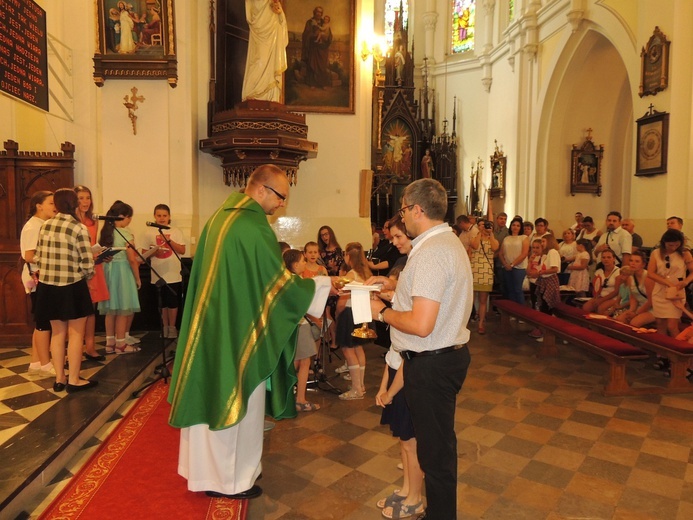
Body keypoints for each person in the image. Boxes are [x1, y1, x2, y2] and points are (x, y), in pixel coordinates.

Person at [168, 164, 331, 500]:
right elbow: (277, 286)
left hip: (213, 326)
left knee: (208, 393)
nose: (281, 205)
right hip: (237, 331)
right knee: (236, 398)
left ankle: (204, 473)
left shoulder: (219, 218)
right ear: (261, 190)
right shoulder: (252, 226)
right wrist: (321, 285)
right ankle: (230, 481)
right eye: (281, 197)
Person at [368, 178, 473, 520]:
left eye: (402, 209)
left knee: (435, 456)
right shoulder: (447, 242)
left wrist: (381, 312)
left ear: (415, 210)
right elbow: (430, 302)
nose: (402, 217)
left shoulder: (430, 252)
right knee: (437, 449)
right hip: (443, 356)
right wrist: (395, 292)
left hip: (432, 363)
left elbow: (422, 324)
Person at [34, 188, 97, 393]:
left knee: (57, 334)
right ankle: (74, 379)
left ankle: (60, 378)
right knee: (76, 334)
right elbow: (87, 264)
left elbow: (39, 257)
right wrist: (87, 276)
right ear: (75, 204)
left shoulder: (46, 226)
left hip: (48, 287)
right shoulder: (78, 228)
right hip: (72, 286)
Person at [98, 201, 142, 354]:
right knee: (123, 309)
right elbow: (131, 259)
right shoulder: (126, 233)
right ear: (123, 217)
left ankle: (110, 343)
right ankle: (121, 344)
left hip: (108, 272)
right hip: (123, 272)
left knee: (110, 310)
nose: (130, 221)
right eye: (129, 217)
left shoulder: (106, 232)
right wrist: (137, 278)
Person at [21, 191, 56, 377]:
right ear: (39, 205)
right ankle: (45, 364)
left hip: (42, 275)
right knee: (43, 322)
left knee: (41, 321)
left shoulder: (42, 224)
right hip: (37, 277)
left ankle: (35, 362)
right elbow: (28, 256)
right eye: (51, 203)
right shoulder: (34, 227)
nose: (54, 206)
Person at [283, 249, 321, 412]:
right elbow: (303, 305)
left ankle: (292, 395)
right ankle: (300, 399)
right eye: (303, 261)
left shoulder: (288, 279)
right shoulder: (296, 281)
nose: (306, 263)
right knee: (304, 361)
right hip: (300, 325)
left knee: (297, 361)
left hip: (294, 325)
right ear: (296, 264)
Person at [74, 186, 109, 361]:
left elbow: (93, 244)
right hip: (76, 269)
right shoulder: (71, 221)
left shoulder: (93, 221)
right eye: (81, 198)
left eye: (88, 197)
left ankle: (90, 347)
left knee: (91, 310)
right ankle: (75, 349)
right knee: (77, 312)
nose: (85, 201)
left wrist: (101, 256)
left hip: (94, 267)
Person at [141, 204, 186, 339]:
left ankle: (172, 327)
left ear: (169, 217)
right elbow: (143, 253)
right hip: (157, 272)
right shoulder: (148, 232)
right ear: (154, 216)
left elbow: (182, 250)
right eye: (159, 215)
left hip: (172, 272)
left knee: (172, 302)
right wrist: (154, 250)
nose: (162, 218)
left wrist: (169, 241)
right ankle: (164, 327)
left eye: (164, 216)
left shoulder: (176, 231)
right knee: (162, 302)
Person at [336, 242, 372, 400]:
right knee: (358, 348)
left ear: (348, 256)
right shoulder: (366, 272)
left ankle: (356, 390)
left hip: (350, 313)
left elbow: (342, 299)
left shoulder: (350, 274)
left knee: (348, 349)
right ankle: (360, 385)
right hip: (363, 313)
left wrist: (338, 313)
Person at [647, 229, 693, 337]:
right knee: (660, 323)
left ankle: (677, 350)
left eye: (676, 245)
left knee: (672, 326)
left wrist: (686, 282)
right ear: (664, 243)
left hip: (676, 291)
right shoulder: (656, 253)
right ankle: (661, 350)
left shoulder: (685, 253)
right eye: (670, 245)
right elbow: (650, 273)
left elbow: (692, 272)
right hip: (660, 290)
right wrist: (666, 282)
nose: (673, 248)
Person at [241, 0, 288, 102]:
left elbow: (282, 22)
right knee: (258, 61)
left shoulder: (274, 2)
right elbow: (252, 12)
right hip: (259, 34)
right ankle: (253, 92)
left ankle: (271, 96)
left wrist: (280, 12)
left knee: (272, 64)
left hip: (273, 32)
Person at [470, 218, 499, 334]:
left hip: (486, 272)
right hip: (474, 271)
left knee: (483, 300)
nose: (484, 227)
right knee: (470, 299)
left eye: (485, 225)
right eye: (481, 225)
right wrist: (479, 233)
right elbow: (475, 246)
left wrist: (490, 234)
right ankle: (467, 320)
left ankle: (481, 322)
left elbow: (495, 248)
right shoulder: (474, 238)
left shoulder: (494, 240)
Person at [500, 216, 529, 305]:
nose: (515, 227)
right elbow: (501, 253)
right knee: (510, 290)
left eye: (518, 225)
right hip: (507, 267)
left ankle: (522, 313)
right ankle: (513, 311)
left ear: (520, 228)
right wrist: (505, 264)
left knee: (517, 289)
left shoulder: (524, 238)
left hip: (519, 267)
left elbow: (524, 254)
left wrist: (512, 264)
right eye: (513, 225)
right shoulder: (506, 238)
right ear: (511, 226)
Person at [301, 6, 332, 88]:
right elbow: (305, 35)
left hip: (322, 48)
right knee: (312, 64)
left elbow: (329, 35)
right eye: (317, 12)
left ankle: (322, 84)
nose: (319, 14)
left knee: (322, 66)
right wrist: (312, 35)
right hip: (313, 47)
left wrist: (326, 38)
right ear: (314, 12)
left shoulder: (324, 22)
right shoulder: (309, 22)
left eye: (320, 12)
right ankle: (312, 84)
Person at [582, 249, 620, 313]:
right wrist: (596, 298)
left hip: (613, 298)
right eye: (603, 257)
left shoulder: (618, 272)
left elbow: (616, 291)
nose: (606, 259)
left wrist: (602, 300)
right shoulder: (598, 272)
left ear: (614, 259)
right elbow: (595, 288)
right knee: (586, 308)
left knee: (600, 309)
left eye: (609, 257)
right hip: (600, 296)